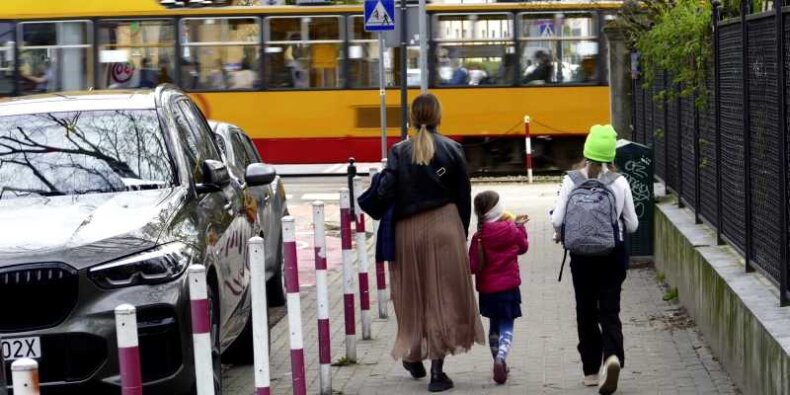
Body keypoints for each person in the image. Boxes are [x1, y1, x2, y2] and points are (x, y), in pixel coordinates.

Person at [376, 93, 485, 392]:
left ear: (412, 118)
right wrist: (460, 233)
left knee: (411, 294)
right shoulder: (453, 149)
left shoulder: (398, 151)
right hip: (445, 226)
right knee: (444, 297)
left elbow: (387, 192)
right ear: (439, 116)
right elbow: (463, 196)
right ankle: (437, 373)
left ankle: (412, 353)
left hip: (407, 231)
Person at [550, 124, 638, 395]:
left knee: (585, 310)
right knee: (609, 310)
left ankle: (589, 371)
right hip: (612, 255)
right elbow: (632, 225)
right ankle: (612, 358)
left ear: (587, 151)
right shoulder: (620, 182)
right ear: (611, 155)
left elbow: (557, 220)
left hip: (581, 257)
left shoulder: (571, 180)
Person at [468, 191, 529, 385]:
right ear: (499, 210)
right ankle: (502, 357)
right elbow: (523, 247)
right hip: (509, 288)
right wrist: (520, 228)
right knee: (507, 324)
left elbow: (473, 266)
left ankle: (497, 361)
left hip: (488, 291)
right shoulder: (510, 229)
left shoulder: (478, 236)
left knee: (494, 325)